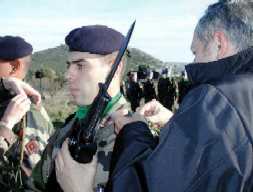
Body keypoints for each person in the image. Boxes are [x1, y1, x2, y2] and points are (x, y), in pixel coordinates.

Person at [56, 1, 253, 192]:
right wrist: (182, 124)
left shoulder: (214, 100)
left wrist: (133, 133)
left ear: (219, 44)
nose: (193, 61)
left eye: (195, 52)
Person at [32, 25, 130, 191]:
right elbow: (35, 185)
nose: (67, 75)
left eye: (80, 66)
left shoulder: (134, 141)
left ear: (115, 67)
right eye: (69, 65)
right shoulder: (70, 127)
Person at [0, 36, 54, 190]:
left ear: (14, 66)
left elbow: (32, 182)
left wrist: (6, 125)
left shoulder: (26, 114)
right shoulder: (5, 102)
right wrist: (4, 83)